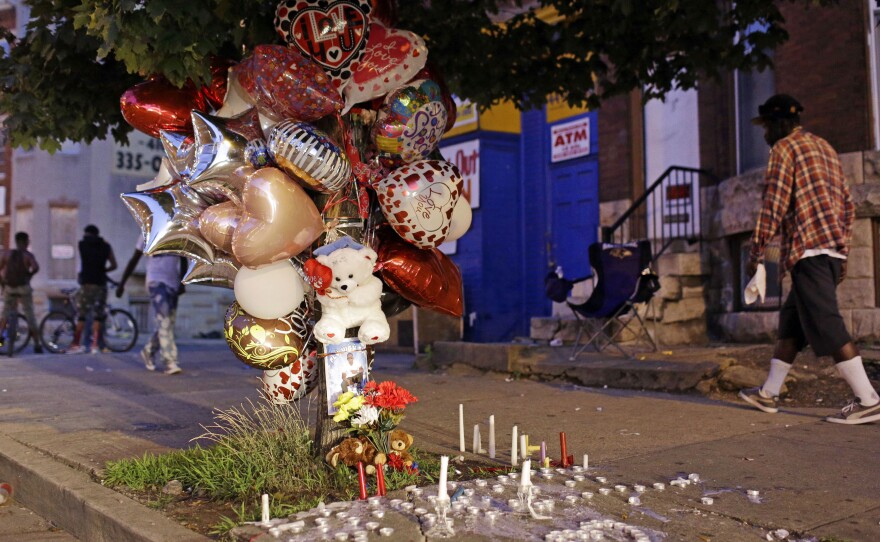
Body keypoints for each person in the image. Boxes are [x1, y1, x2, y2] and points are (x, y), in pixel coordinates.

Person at [739, 94, 880, 425]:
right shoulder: (824, 148)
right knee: (793, 323)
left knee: (826, 322)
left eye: (766, 127)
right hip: (829, 249)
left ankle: (868, 398)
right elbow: (847, 203)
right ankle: (768, 394)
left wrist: (756, 249)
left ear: (777, 125)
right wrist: (842, 250)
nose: (763, 135)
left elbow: (774, 203)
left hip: (809, 250)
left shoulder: (784, 150)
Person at [116, 238, 186, 375]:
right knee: (164, 321)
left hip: (173, 283)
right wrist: (122, 283)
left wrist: (183, 282)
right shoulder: (147, 233)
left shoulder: (177, 232)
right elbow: (134, 259)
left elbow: (183, 258)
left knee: (167, 323)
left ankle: (148, 350)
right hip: (156, 282)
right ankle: (169, 361)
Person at [66, 225, 117, 354]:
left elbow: (86, 243)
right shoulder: (106, 246)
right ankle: (95, 345)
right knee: (98, 316)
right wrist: (103, 270)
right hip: (101, 283)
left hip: (87, 284)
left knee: (82, 315)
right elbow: (114, 265)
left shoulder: (82, 245)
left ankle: (78, 344)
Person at [0, 232, 43, 353]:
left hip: (9, 287)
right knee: (30, 315)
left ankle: (0, 340)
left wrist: (3, 284)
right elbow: (36, 267)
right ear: (26, 242)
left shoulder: (7, 254)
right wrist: (28, 275)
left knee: (5, 314)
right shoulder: (28, 255)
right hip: (24, 288)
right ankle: (37, 344)